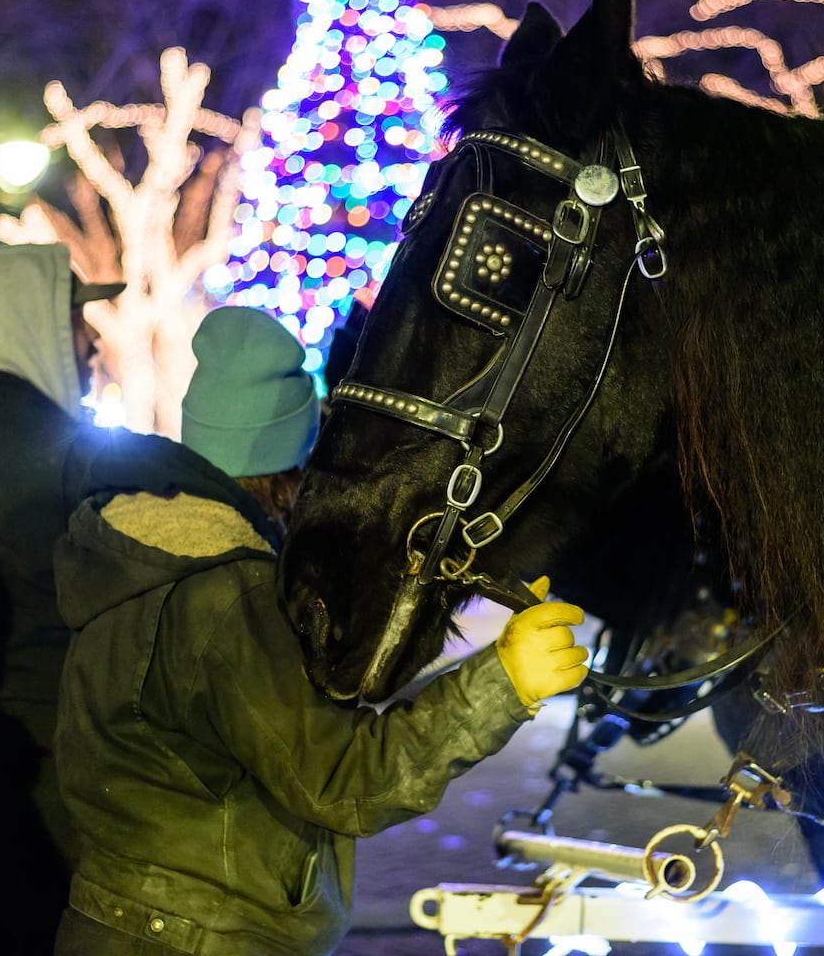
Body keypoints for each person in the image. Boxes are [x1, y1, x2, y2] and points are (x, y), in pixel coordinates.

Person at [51, 305, 590, 956]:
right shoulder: (223, 594)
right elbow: (341, 779)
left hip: (119, 923)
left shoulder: (133, 553)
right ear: (289, 465)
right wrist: (503, 683)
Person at [0, 242, 252, 955]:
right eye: (75, 319)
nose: (90, 341)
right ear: (24, 319)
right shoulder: (65, 453)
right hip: (58, 798)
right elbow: (216, 492)